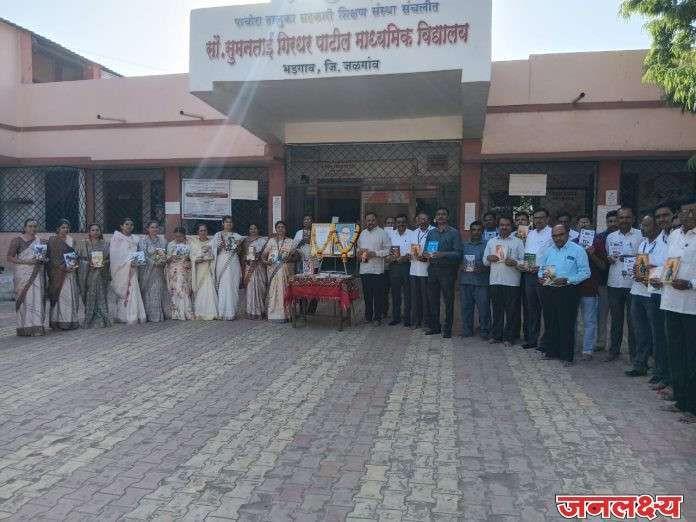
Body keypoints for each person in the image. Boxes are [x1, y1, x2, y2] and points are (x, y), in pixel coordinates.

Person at [658, 194, 696, 423]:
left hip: (692, 307)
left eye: (693, 211)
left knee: (693, 358)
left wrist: (691, 284)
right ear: (678, 214)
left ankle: (693, 407)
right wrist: (658, 277)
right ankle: (681, 399)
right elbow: (668, 266)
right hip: (671, 303)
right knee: (676, 355)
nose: (688, 215)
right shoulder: (673, 235)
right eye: (684, 212)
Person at [538, 225, 590, 365]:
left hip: (568, 290)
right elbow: (542, 269)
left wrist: (568, 280)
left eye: (561, 234)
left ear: (568, 234)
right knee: (550, 322)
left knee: (566, 323)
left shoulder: (578, 250)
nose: (558, 238)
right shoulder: (548, 250)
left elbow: (586, 272)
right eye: (554, 236)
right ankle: (551, 352)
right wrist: (540, 277)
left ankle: (567, 356)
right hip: (549, 289)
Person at [626, 214, 668, 377]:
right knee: (640, 331)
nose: (642, 228)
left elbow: (668, 268)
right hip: (637, 291)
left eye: (646, 225)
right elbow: (640, 264)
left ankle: (659, 370)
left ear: (656, 226)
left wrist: (652, 269)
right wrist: (637, 270)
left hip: (653, 294)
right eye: (642, 225)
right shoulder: (643, 243)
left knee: (657, 333)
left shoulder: (665, 243)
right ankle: (640, 364)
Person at [604, 207, 641, 362]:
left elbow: (644, 257)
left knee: (633, 321)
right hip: (614, 283)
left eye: (627, 217)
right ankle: (614, 350)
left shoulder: (640, 235)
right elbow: (608, 256)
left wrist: (632, 260)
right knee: (616, 320)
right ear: (617, 220)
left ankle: (634, 353)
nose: (624, 220)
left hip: (634, 285)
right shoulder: (611, 237)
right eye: (621, 218)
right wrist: (609, 259)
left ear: (633, 219)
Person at [483, 216, 524, 347]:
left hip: (512, 282)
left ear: (511, 227)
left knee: (511, 312)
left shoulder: (518, 242)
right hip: (495, 281)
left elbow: (524, 261)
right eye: (501, 225)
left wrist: (515, 262)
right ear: (498, 226)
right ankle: (496, 335)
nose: (504, 227)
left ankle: (509, 337)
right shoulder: (491, 242)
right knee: (497, 310)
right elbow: (484, 261)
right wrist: (489, 258)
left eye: (507, 225)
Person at [573, 217, 607, 361]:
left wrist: (592, 255)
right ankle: (572, 346)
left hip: (590, 288)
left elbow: (603, 266)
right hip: (573, 288)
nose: (584, 224)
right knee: (572, 320)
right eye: (581, 222)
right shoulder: (572, 243)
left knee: (589, 320)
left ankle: (587, 350)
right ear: (577, 226)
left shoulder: (598, 243)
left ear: (591, 225)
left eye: (586, 222)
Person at [649, 202, 675, 390]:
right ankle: (661, 373)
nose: (661, 219)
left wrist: (663, 277)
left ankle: (671, 378)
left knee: (670, 338)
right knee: (658, 335)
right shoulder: (658, 240)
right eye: (658, 217)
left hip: (673, 294)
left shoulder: (677, 237)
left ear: (674, 216)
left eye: (665, 215)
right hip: (656, 293)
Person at [425, 207, 462, 339]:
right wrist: (425, 253)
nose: (441, 216)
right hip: (433, 269)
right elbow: (426, 250)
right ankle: (435, 327)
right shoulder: (431, 233)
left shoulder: (454, 233)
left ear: (448, 217)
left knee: (448, 300)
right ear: (435, 217)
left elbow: (458, 253)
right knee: (432, 299)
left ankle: (448, 328)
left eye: (443, 214)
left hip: (447, 270)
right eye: (438, 214)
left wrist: (443, 254)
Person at [6, 218, 46, 337]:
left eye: (35, 226)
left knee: (37, 298)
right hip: (22, 273)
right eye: (30, 226)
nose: (33, 228)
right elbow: (9, 257)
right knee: (25, 299)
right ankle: (24, 327)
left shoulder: (39, 241)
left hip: (36, 273)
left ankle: (37, 327)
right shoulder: (17, 240)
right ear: (24, 228)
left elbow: (41, 257)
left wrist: (43, 259)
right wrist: (27, 261)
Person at [520, 208, 553, 350]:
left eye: (541, 217)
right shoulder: (530, 233)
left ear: (547, 219)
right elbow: (526, 252)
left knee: (548, 308)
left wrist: (540, 268)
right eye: (536, 218)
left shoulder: (553, 233)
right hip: (530, 274)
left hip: (547, 273)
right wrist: (524, 265)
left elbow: (554, 255)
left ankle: (547, 341)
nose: (538, 220)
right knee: (532, 308)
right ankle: (532, 339)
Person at [109, 217, 147, 325]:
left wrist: (138, 261)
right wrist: (128, 263)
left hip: (134, 269)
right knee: (126, 290)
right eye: (126, 224)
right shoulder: (117, 238)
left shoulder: (136, 239)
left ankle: (134, 315)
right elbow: (115, 256)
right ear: (121, 226)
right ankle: (123, 316)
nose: (129, 226)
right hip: (122, 270)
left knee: (133, 290)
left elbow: (139, 252)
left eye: (131, 224)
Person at [46, 219, 80, 331]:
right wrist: (63, 268)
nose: (65, 230)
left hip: (70, 273)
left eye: (67, 227)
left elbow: (75, 255)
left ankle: (70, 321)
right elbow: (51, 258)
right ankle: (58, 321)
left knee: (70, 296)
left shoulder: (71, 240)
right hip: (57, 274)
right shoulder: (52, 240)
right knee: (60, 296)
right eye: (63, 227)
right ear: (58, 229)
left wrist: (74, 264)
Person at [76, 223, 112, 328]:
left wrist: (103, 263)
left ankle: (102, 318)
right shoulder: (83, 244)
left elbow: (109, 259)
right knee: (89, 295)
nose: (95, 232)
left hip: (101, 273)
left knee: (101, 294)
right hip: (88, 274)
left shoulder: (105, 244)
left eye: (97, 230)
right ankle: (89, 319)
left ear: (100, 232)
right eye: (93, 230)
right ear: (89, 232)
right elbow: (77, 259)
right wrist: (87, 264)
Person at [357, 213, 390, 326]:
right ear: (365, 221)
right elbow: (358, 248)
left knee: (378, 295)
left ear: (376, 220)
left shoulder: (382, 233)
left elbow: (388, 250)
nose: (370, 222)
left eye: (372, 220)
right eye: (368, 220)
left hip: (377, 270)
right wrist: (359, 253)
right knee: (367, 295)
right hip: (364, 269)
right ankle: (368, 316)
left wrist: (375, 253)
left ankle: (377, 318)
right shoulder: (362, 233)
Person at [459, 221, 490, 339]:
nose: (476, 232)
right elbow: (458, 259)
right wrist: (460, 265)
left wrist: (483, 268)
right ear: (470, 231)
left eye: (479, 230)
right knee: (466, 308)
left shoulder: (488, 244)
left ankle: (485, 330)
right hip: (465, 281)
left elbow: (492, 262)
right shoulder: (464, 245)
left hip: (481, 282)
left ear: (482, 231)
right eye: (474, 230)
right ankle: (467, 330)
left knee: (484, 308)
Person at [137, 221, 171, 323]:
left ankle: (157, 315)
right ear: (148, 229)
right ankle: (148, 315)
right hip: (147, 270)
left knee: (157, 291)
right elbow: (143, 254)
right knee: (148, 292)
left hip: (159, 270)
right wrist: (153, 262)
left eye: (156, 227)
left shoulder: (163, 241)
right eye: (152, 227)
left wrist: (163, 260)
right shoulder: (143, 241)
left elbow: (165, 254)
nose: (154, 229)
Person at [596, 209, 619, 351]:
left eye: (615, 221)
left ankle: (615, 345)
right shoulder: (600, 237)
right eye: (610, 221)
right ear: (606, 222)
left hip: (621, 282)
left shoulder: (633, 236)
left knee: (617, 316)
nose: (613, 224)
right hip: (603, 281)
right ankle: (601, 342)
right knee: (601, 314)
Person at [264, 220, 295, 323]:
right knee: (273, 291)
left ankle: (286, 314)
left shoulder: (290, 241)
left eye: (282, 227)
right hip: (273, 269)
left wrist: (289, 258)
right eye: (278, 227)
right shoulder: (271, 241)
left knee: (284, 290)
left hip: (285, 270)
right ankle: (273, 314)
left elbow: (295, 256)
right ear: (275, 229)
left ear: (285, 229)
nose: (280, 229)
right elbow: (264, 255)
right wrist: (266, 262)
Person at [213, 216, 244, 320]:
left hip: (233, 262)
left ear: (233, 224)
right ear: (223, 223)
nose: (228, 224)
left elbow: (240, 252)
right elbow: (213, 251)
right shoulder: (218, 235)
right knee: (223, 286)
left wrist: (238, 246)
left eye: (230, 222)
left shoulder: (237, 236)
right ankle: (222, 312)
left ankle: (231, 313)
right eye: (226, 222)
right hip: (222, 261)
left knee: (233, 285)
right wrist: (219, 247)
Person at [409, 212, 434, 331]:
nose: (422, 221)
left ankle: (426, 322)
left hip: (427, 270)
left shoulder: (433, 231)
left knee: (426, 298)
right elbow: (411, 249)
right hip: (414, 270)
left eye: (425, 219)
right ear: (417, 220)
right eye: (420, 219)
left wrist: (427, 257)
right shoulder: (414, 232)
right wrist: (411, 255)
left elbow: (433, 250)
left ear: (429, 220)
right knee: (415, 297)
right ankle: (416, 321)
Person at [388, 214, 413, 326]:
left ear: (406, 223)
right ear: (396, 223)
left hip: (407, 266)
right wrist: (390, 256)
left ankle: (407, 318)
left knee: (408, 293)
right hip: (394, 267)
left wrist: (406, 257)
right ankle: (396, 317)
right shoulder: (391, 234)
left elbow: (415, 250)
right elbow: (388, 249)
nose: (401, 224)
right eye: (398, 222)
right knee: (395, 293)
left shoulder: (412, 234)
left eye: (403, 222)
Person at [190, 223, 218, 321]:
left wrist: (210, 258)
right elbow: (192, 256)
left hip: (209, 269)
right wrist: (196, 260)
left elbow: (214, 256)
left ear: (207, 231)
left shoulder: (212, 243)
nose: (203, 232)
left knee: (209, 289)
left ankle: (211, 312)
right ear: (198, 232)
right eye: (201, 230)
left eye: (205, 230)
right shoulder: (194, 243)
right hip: (198, 269)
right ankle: (200, 312)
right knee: (200, 290)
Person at [165, 226, 194, 321]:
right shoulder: (171, 244)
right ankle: (176, 313)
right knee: (176, 290)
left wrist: (187, 257)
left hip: (185, 269)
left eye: (180, 236)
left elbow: (192, 256)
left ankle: (186, 312)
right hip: (174, 271)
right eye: (176, 236)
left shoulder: (189, 243)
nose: (178, 238)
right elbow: (167, 259)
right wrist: (172, 257)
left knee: (185, 290)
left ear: (184, 235)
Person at [242, 223, 269, 320]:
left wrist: (259, 257)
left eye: (255, 228)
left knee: (261, 288)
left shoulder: (264, 240)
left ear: (258, 229)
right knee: (250, 289)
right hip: (249, 266)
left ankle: (261, 311)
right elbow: (243, 254)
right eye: (251, 229)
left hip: (260, 266)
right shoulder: (246, 240)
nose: (253, 230)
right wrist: (247, 258)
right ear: (248, 230)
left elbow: (267, 254)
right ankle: (251, 312)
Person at [293, 215, 318, 313]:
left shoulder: (316, 232)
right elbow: (293, 248)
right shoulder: (299, 233)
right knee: (301, 285)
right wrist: (301, 242)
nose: (307, 221)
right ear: (303, 222)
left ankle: (312, 309)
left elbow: (322, 246)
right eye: (305, 219)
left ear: (312, 222)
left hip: (314, 262)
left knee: (314, 284)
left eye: (309, 219)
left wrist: (311, 241)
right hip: (301, 263)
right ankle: (302, 308)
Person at [383, 216, 396, 317]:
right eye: (388, 223)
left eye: (392, 223)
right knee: (384, 291)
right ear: (385, 225)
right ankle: (384, 311)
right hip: (383, 268)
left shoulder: (397, 235)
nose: (390, 225)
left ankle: (396, 313)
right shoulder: (382, 234)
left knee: (395, 291)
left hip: (394, 267)